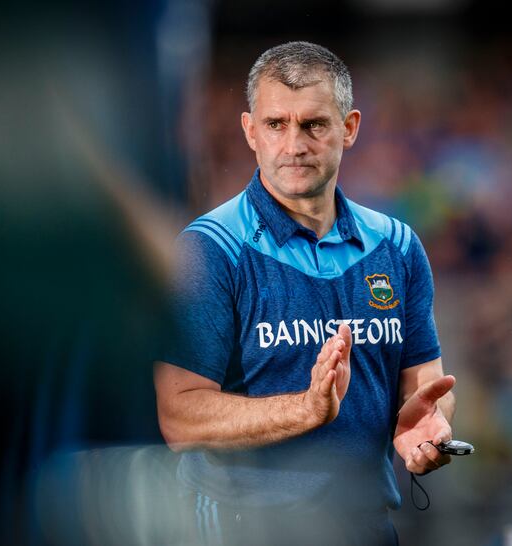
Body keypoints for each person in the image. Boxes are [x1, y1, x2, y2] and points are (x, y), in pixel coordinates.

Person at [155, 41, 456, 546]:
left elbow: (425, 384)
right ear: (251, 131)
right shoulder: (211, 250)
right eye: (276, 124)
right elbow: (180, 416)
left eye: (314, 124)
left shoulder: (398, 247)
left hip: (367, 526)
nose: (293, 145)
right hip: (244, 530)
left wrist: (429, 430)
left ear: (349, 127)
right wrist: (306, 409)